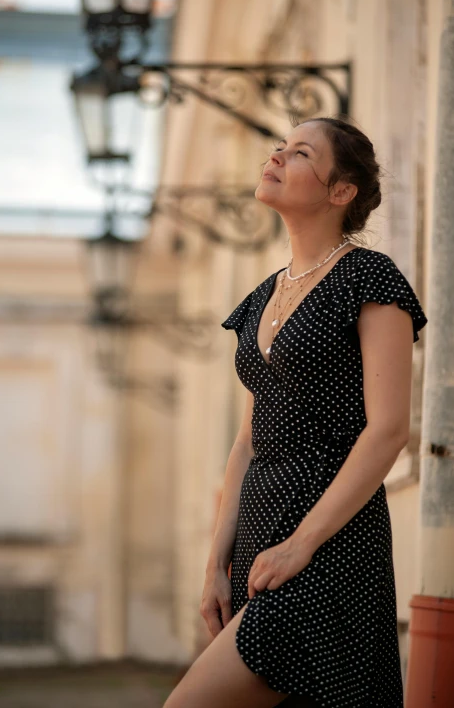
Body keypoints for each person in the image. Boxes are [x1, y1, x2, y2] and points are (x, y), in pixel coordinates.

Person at [162, 116, 428, 708]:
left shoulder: (368, 277)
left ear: (341, 192)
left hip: (328, 546)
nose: (277, 157)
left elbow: (387, 432)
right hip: (259, 551)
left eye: (301, 152)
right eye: (280, 147)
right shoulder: (262, 297)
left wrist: (301, 544)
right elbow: (246, 444)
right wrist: (215, 564)